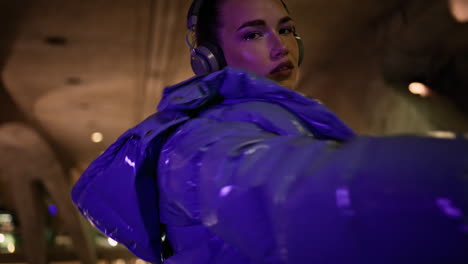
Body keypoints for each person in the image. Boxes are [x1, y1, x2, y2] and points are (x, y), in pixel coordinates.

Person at [71, 0, 468, 263]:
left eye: (286, 28)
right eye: (253, 33)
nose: (281, 47)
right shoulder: (196, 144)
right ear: (209, 59)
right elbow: (298, 193)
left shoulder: (281, 128)